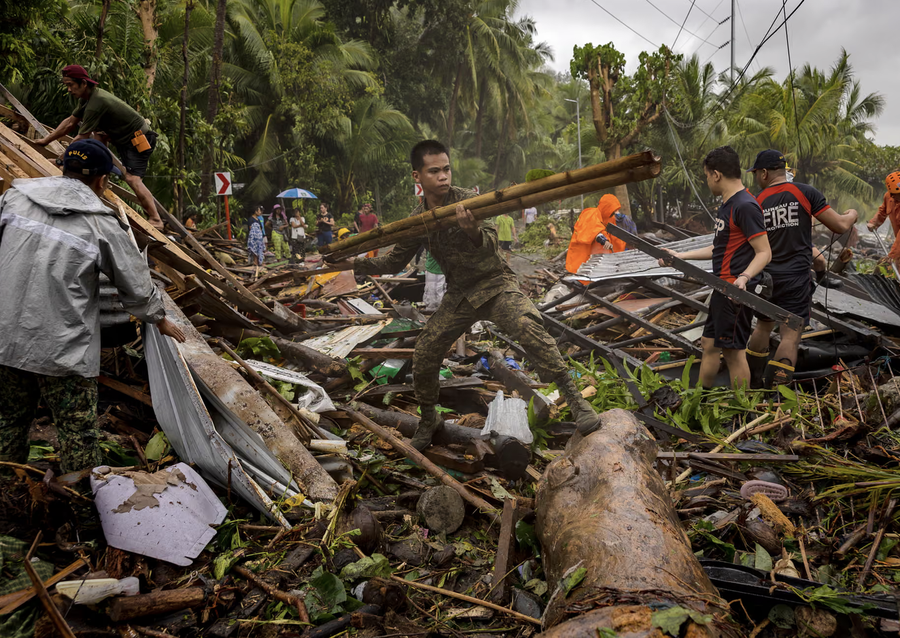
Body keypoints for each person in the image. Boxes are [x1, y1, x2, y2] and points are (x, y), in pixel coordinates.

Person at [326, 140, 602, 449]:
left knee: (528, 326)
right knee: (426, 351)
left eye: (446, 169)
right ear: (417, 176)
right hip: (460, 295)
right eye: (434, 171)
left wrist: (472, 230)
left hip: (495, 285)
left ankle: (577, 403)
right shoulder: (417, 221)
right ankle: (429, 418)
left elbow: (490, 244)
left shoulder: (470, 201)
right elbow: (393, 261)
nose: (443, 177)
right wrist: (353, 263)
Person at [0, 139, 186, 473]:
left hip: (5, 339)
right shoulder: (99, 222)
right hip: (62, 350)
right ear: (102, 181)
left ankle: (9, 501)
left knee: (8, 422)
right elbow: (135, 283)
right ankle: (85, 515)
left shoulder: (14, 199)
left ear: (63, 168)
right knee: (78, 434)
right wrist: (160, 319)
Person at [658, 146, 771, 390]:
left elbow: (764, 252)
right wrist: (680, 255)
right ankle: (700, 398)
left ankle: (742, 408)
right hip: (722, 288)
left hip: (735, 289)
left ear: (716, 174)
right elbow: (717, 248)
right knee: (709, 344)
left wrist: (744, 277)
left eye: (707, 176)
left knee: (733, 352)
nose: (707, 180)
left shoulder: (745, 206)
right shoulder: (727, 205)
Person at [744, 149, 858, 387]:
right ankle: (776, 393)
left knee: (763, 326)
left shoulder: (757, 202)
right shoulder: (805, 192)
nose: (756, 178)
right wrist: (852, 213)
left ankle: (752, 385)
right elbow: (839, 225)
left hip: (765, 279)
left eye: (756, 173)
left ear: (764, 173)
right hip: (795, 279)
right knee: (790, 334)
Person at [34, 65, 164, 230]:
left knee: (132, 179)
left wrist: (61, 161)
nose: (68, 89)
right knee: (99, 134)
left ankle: (156, 219)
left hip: (138, 140)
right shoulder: (87, 98)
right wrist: (46, 140)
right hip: (121, 137)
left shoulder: (97, 102)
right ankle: (100, 172)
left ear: (83, 83)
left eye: (70, 85)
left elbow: (82, 137)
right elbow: (70, 122)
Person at [565, 194, 627, 275]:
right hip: (583, 252)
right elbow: (594, 230)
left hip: (599, 259)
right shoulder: (591, 213)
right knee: (581, 273)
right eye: (612, 209)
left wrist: (624, 245)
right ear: (606, 206)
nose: (613, 213)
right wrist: (604, 241)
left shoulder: (609, 218)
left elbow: (614, 235)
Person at [867, 172, 900, 270]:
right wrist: (874, 223)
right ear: (892, 193)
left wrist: (892, 256)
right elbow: (882, 212)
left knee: (893, 261)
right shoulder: (888, 197)